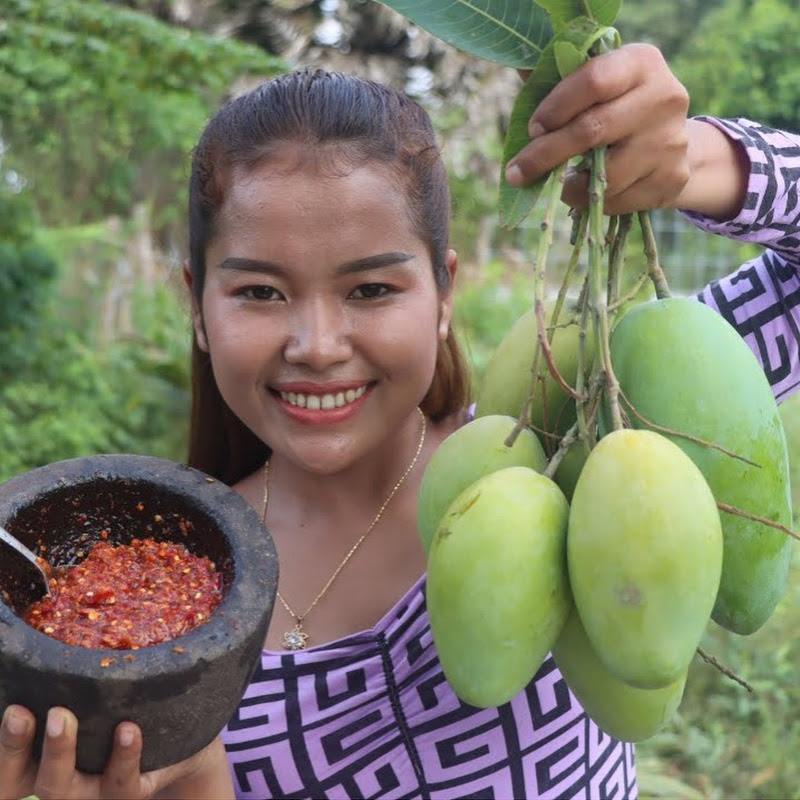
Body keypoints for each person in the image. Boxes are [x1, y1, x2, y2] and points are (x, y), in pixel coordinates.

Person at [1, 42, 799, 799]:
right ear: (198, 307)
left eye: (371, 290)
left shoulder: (571, 464)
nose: (316, 347)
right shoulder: (171, 599)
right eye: (260, 293)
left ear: (444, 295)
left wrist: (696, 160)